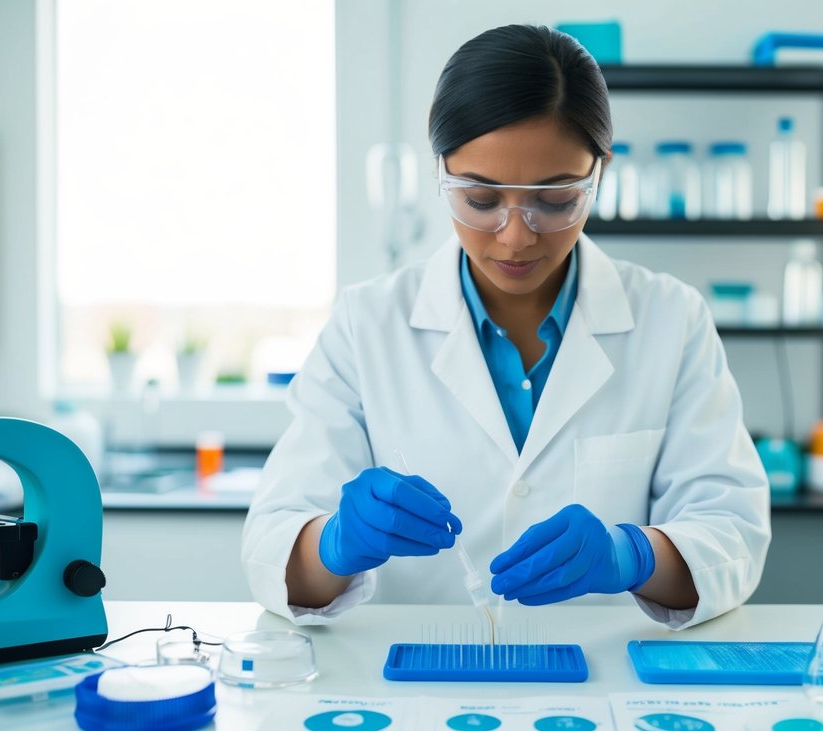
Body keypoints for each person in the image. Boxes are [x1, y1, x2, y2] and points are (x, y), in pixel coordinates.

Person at [243, 24, 770, 629]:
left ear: (600, 172)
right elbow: (272, 547)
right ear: (441, 170)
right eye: (481, 198)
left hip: (602, 686)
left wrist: (634, 555)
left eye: (554, 199)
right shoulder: (368, 325)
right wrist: (334, 543)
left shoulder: (671, 321)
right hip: (410, 689)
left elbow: (732, 536)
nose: (516, 235)